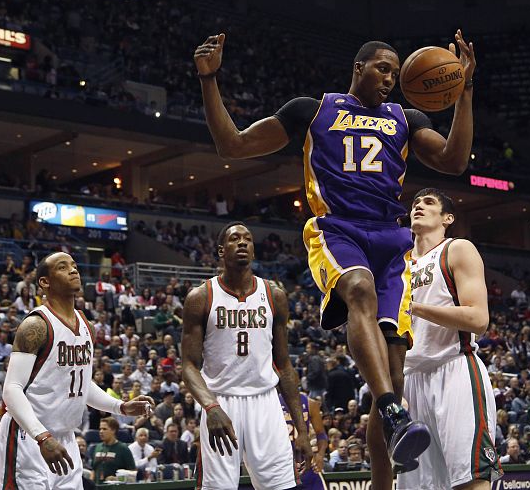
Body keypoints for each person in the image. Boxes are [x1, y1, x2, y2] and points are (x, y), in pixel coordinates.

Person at [195, 28, 476, 486]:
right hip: (338, 228)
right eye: (381, 68)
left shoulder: (406, 117)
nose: (388, 77)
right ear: (357, 68)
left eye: (394, 70)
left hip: (391, 237)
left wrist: (464, 91)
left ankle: (388, 433)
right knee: (358, 290)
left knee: (395, 373)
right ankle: (389, 409)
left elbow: (454, 159)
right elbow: (235, 144)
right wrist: (209, 80)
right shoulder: (313, 109)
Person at [0, 252, 154, 490]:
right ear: (44, 282)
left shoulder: (85, 324)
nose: (74, 270)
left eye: (75, 266)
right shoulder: (35, 325)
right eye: (63, 267)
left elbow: (81, 384)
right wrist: (42, 436)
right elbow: (12, 389)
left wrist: (119, 406)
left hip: (65, 437)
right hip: (30, 435)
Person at [182, 222, 312, 490]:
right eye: (234, 239)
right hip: (221, 402)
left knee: (283, 486)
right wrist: (211, 407)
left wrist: (302, 430)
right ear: (221, 250)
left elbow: (284, 365)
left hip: (265, 403)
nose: (242, 243)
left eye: (248, 239)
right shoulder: (200, 297)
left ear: (253, 250)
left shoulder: (274, 295)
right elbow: (189, 366)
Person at [397, 189, 501, 490]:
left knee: (469, 478)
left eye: (428, 203)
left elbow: (479, 319)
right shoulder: (397, 263)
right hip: (410, 379)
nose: (418, 206)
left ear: (448, 218)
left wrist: (414, 307)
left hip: (454, 368)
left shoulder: (456, 249)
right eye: (415, 203)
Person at [279, 391, 329, 490]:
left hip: (306, 463)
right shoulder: (273, 403)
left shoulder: (310, 403)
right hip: (283, 465)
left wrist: (320, 455)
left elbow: (321, 434)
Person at [92, 416, 136, 483]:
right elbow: (93, 470)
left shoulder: (123, 448)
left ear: (113, 430)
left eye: (104, 429)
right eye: (100, 429)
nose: (101, 431)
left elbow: (133, 473)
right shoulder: (97, 447)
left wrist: (117, 478)